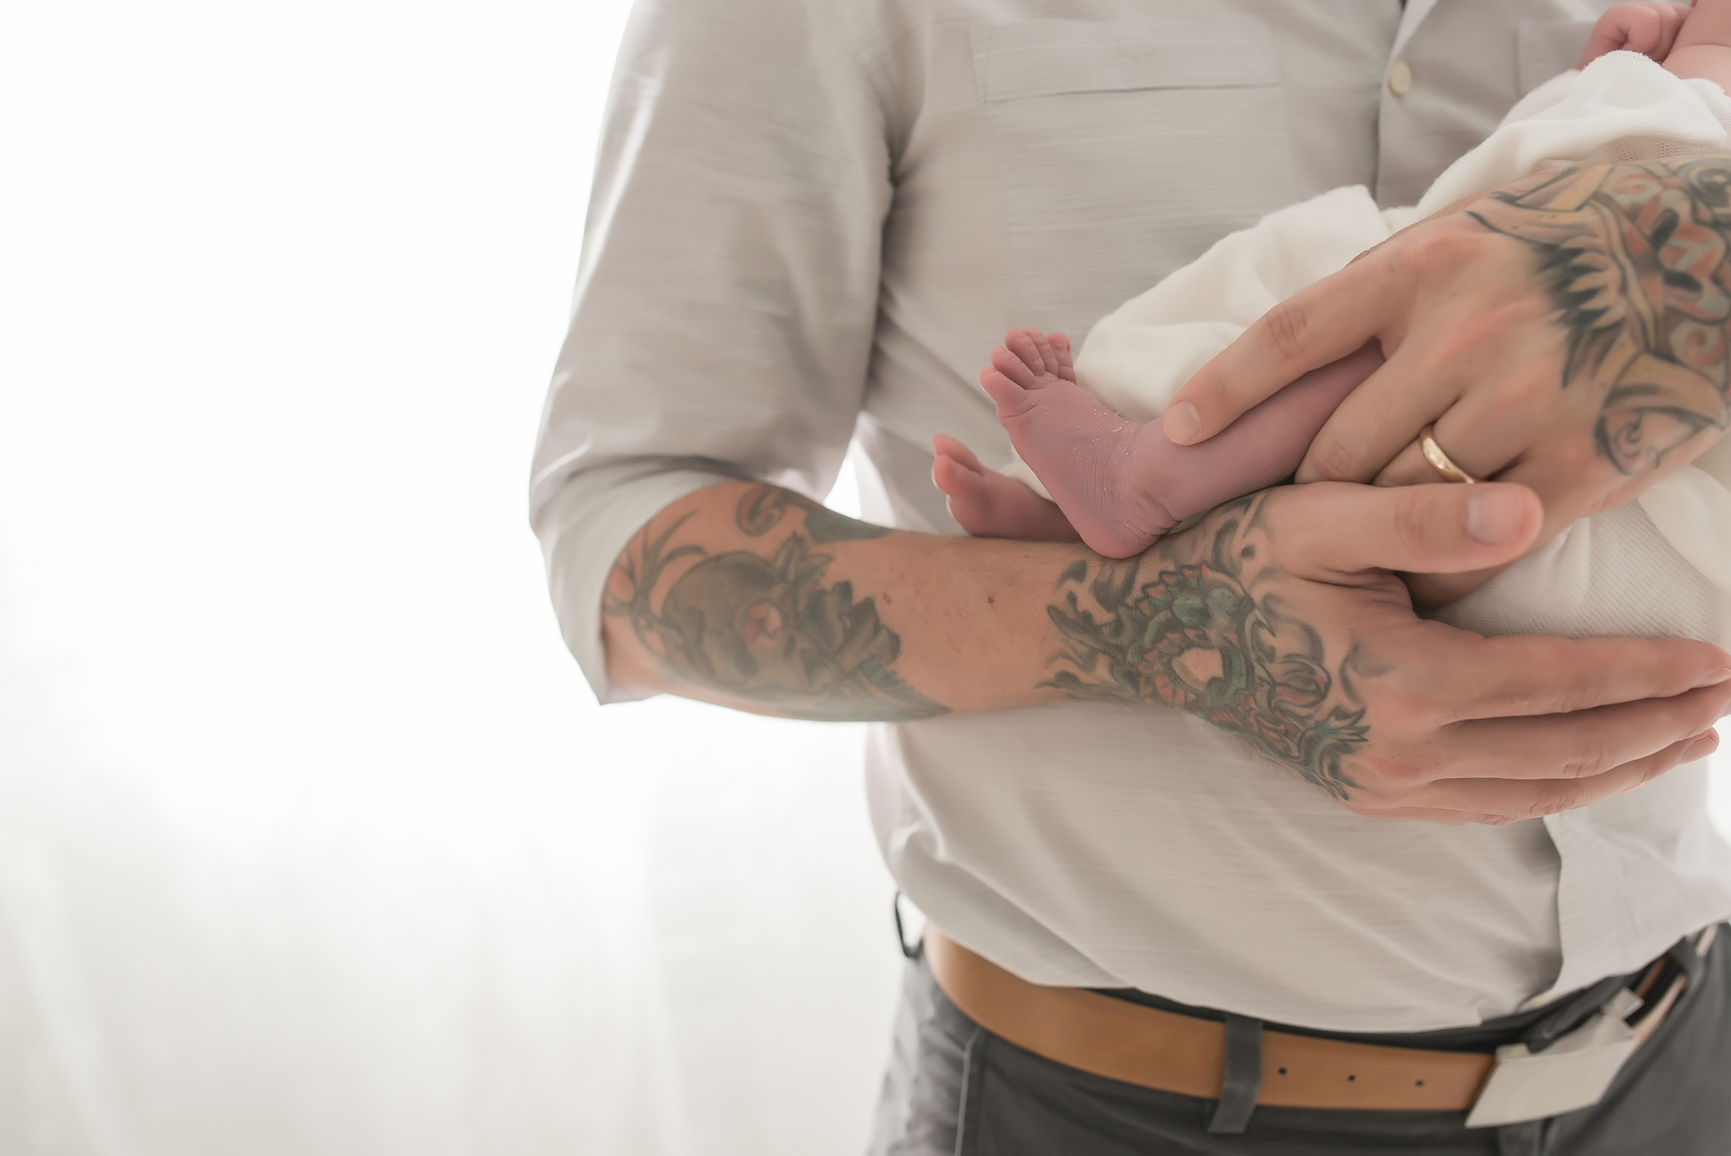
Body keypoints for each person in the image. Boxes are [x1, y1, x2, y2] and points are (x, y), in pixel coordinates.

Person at [530, 1, 1731, 1151]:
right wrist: (1142, 628)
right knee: (1371, 298)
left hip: (1676, 1060)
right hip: (1111, 1114)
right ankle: (1117, 498)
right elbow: (623, 534)